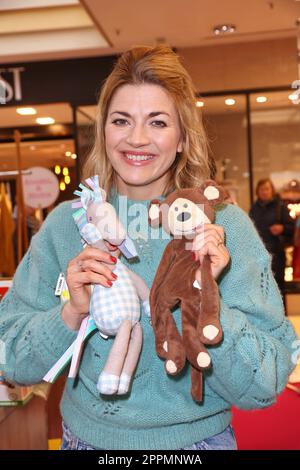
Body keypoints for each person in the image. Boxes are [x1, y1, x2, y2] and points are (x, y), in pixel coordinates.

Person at [0, 46, 298, 451]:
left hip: (197, 445)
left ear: (181, 138)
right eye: (121, 120)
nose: (137, 138)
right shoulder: (66, 226)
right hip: (85, 441)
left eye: (157, 122)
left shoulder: (223, 226)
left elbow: (265, 383)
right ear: (104, 130)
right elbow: (11, 360)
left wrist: (206, 300)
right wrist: (71, 313)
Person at [249, 178, 295, 301]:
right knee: (262, 289)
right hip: (259, 255)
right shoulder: (254, 209)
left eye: (267, 189)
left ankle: (282, 318)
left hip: (277, 254)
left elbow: (292, 227)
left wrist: (282, 228)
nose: (264, 192)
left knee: (279, 289)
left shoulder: (280, 207)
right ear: (257, 192)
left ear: (272, 191)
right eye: (261, 189)